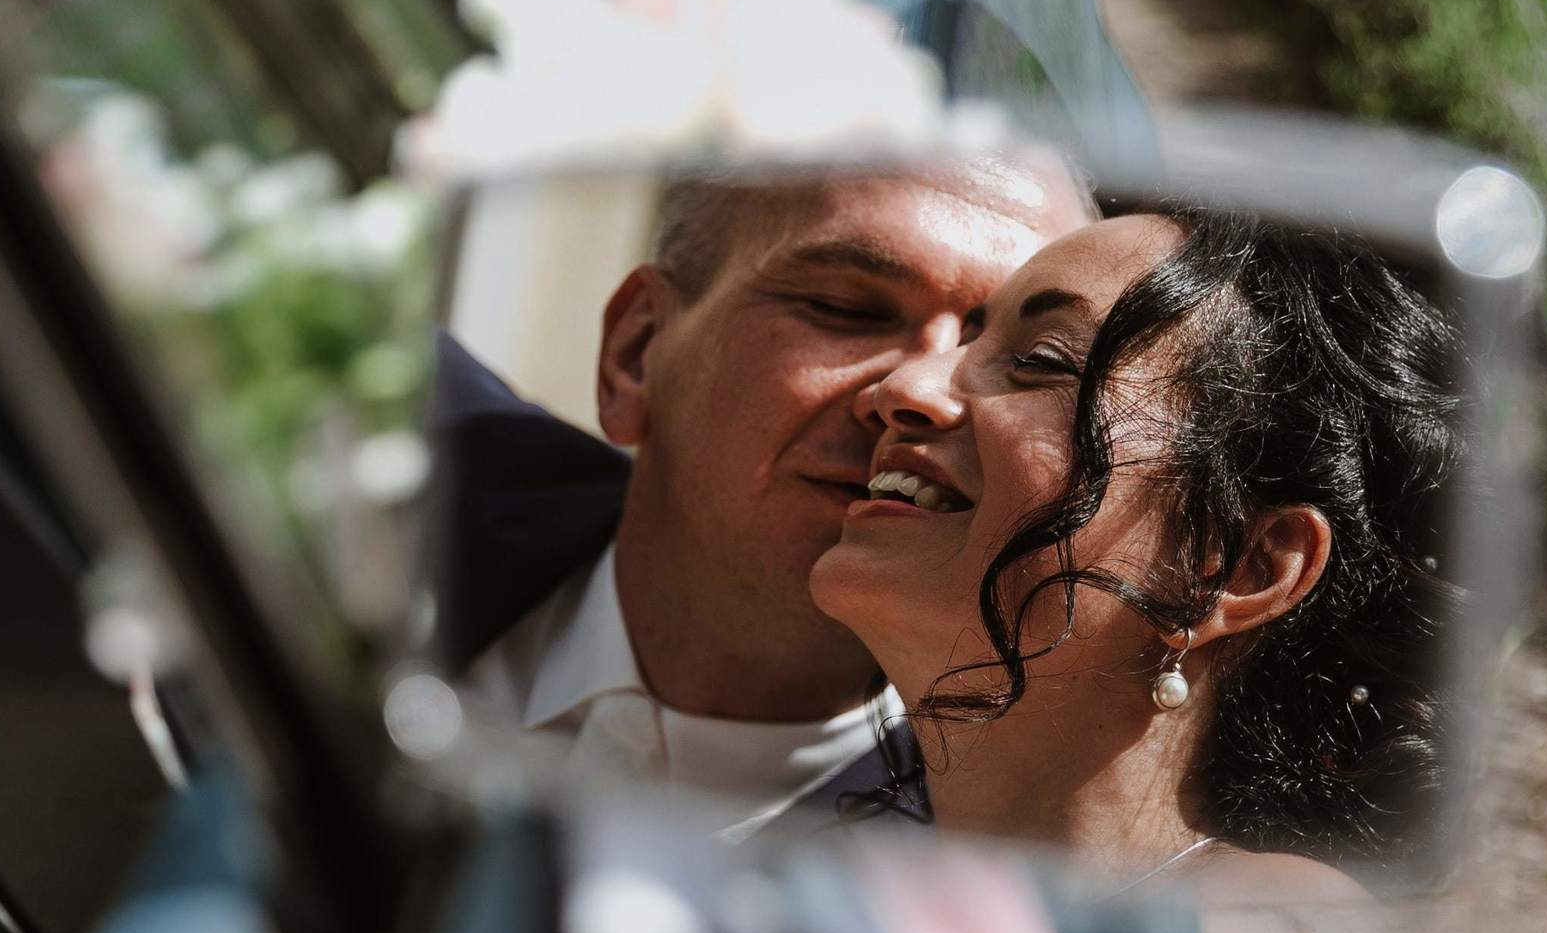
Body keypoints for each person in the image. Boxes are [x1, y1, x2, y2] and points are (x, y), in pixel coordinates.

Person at [806, 206, 1465, 898]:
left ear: (1238, 568)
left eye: (1039, 361)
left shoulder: (1271, 918)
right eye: (969, 344)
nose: (900, 388)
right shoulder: (831, 880)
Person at [438, 150, 1097, 835]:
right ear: (638, 352)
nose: (919, 392)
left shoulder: (1013, 857)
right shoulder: (402, 447)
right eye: (843, 308)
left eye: (1030, 362)